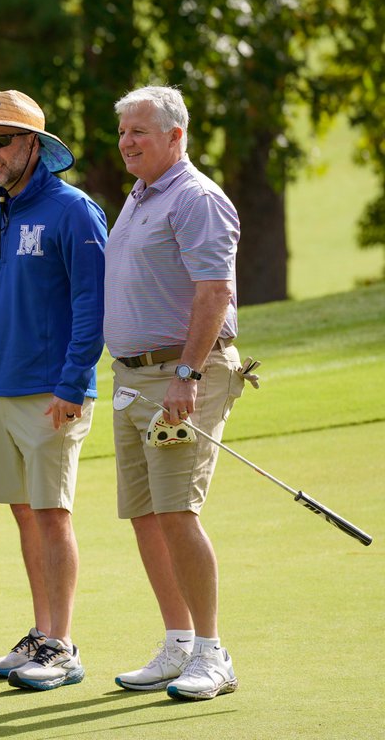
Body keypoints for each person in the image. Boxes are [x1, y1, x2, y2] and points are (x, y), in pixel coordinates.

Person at [0, 90, 108, 691]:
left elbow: (94, 305)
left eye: (2, 140)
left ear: (33, 145)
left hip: (53, 391)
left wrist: (72, 382)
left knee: (52, 514)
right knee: (23, 513)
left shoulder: (74, 211)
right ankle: (42, 632)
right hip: (4, 385)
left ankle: (62, 646)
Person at [106, 85, 245, 701]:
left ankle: (214, 654)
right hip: (132, 378)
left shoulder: (196, 198)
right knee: (144, 514)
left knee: (176, 513)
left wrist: (186, 377)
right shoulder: (138, 197)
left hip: (182, 375)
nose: (127, 142)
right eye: (123, 132)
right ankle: (178, 643)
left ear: (175, 136)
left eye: (140, 131)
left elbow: (214, 293)